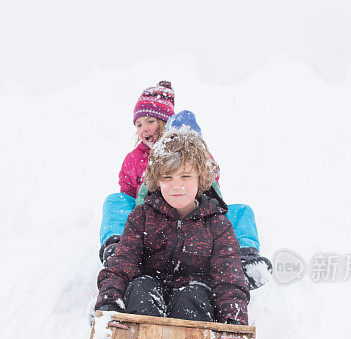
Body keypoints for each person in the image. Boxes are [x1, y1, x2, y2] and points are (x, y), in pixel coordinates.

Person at [99, 83, 272, 289]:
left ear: (165, 122)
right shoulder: (134, 159)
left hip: (192, 219)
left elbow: (211, 191)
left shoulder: (193, 153)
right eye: (138, 125)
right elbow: (127, 194)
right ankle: (116, 248)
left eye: (151, 121)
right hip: (148, 221)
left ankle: (244, 259)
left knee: (242, 212)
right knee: (115, 201)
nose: (144, 128)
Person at [95, 127, 249, 325]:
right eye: (168, 178)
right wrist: (109, 305)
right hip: (149, 297)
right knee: (142, 287)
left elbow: (228, 277)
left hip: (194, 303)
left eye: (185, 176)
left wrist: (233, 318)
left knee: (193, 296)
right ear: (157, 181)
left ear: (200, 178)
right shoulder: (142, 217)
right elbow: (122, 264)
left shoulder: (217, 224)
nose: (177, 186)